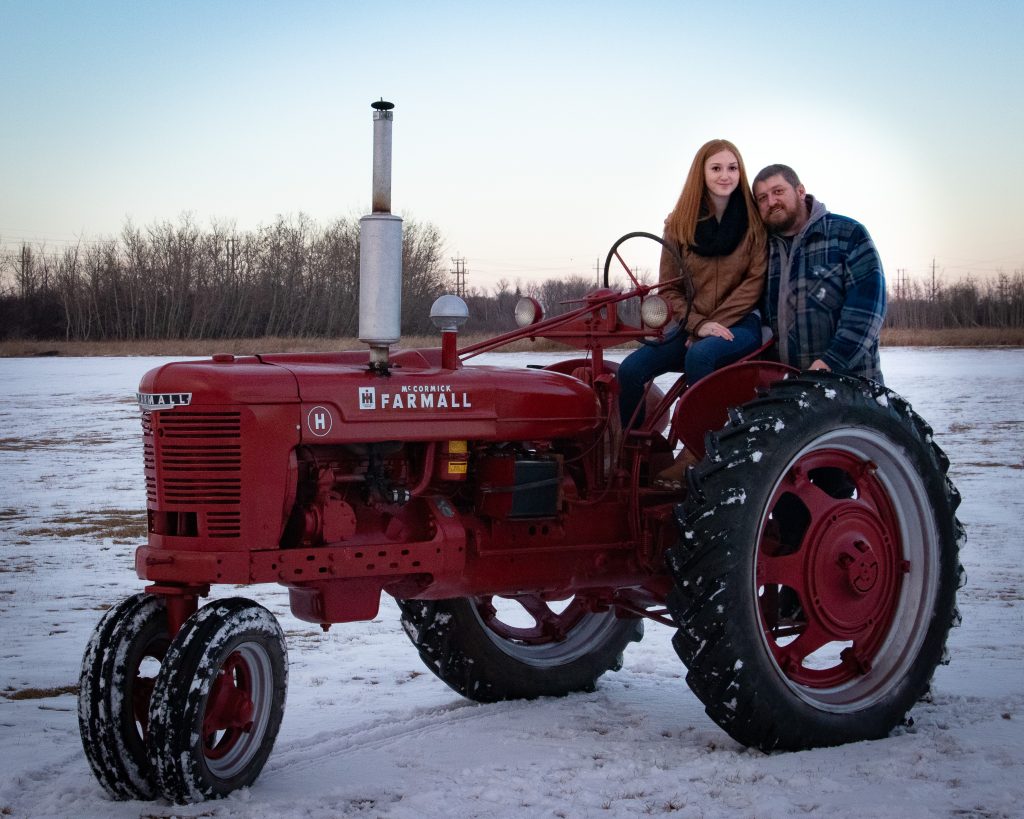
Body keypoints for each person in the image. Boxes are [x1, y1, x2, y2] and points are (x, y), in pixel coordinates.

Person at [617, 139, 766, 486]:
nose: (725, 176)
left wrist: (713, 326)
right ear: (701, 173)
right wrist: (698, 325)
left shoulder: (754, 224)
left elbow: (753, 284)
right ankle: (634, 454)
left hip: (741, 324)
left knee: (701, 356)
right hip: (692, 325)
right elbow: (669, 288)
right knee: (630, 370)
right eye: (716, 168)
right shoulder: (679, 225)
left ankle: (698, 453)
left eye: (732, 168)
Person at [752, 164, 885, 382]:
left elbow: (867, 310)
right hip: (786, 388)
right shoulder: (761, 249)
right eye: (762, 198)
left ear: (800, 191)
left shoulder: (847, 235)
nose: (772, 202)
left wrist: (831, 363)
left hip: (850, 385)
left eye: (778, 191)